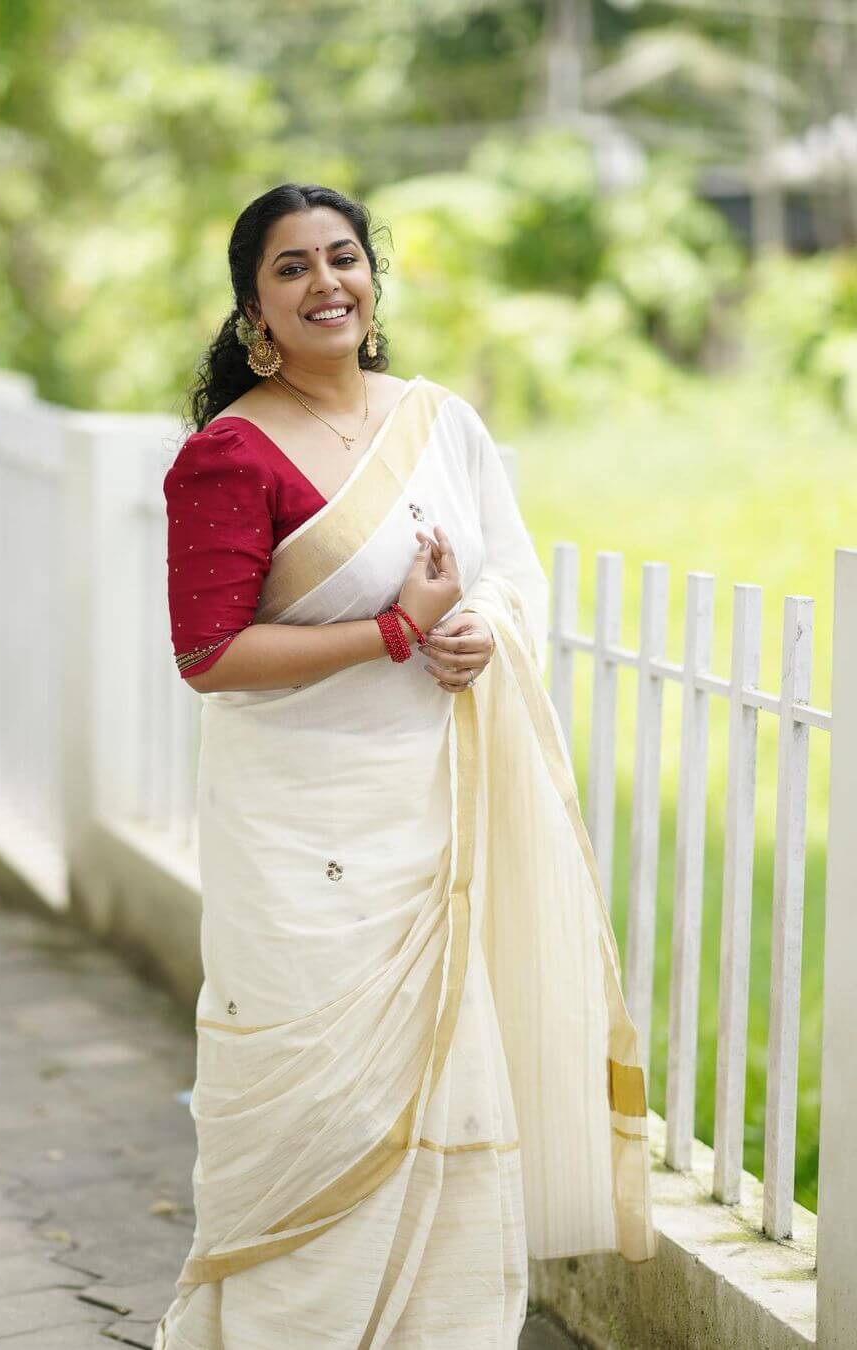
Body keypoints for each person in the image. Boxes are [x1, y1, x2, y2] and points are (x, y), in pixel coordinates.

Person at [154, 183, 656, 1350]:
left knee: (445, 1084)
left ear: (372, 283)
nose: (325, 283)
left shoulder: (440, 421)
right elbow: (210, 653)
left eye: (344, 258)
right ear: (252, 312)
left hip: (435, 823)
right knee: (324, 1102)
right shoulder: (230, 457)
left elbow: (514, 571)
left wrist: (478, 624)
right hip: (298, 837)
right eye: (292, 268)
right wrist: (393, 631)